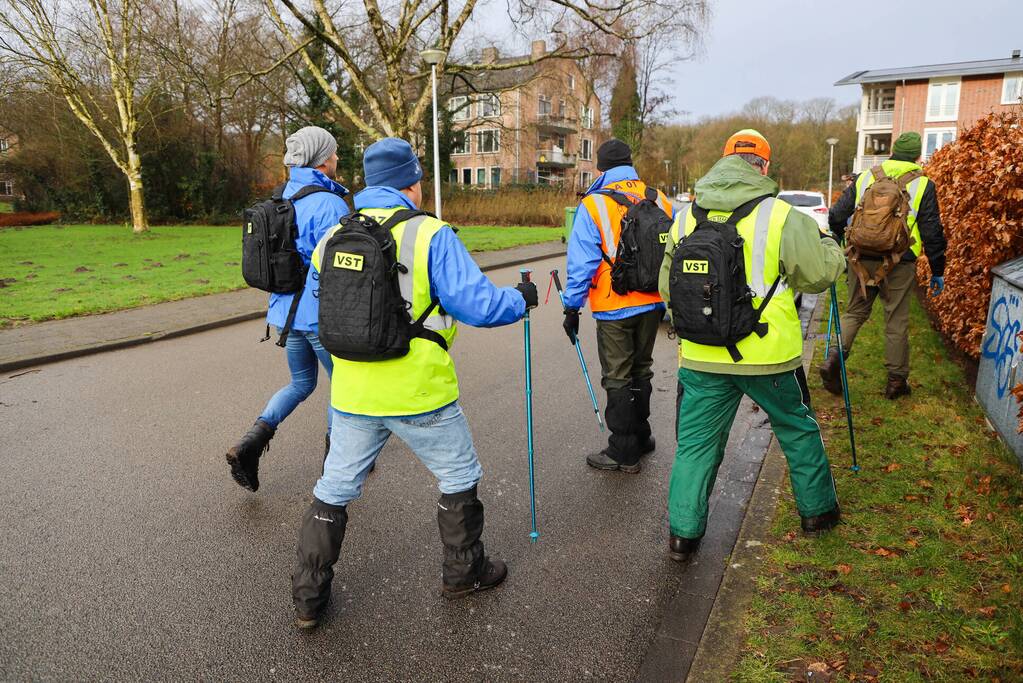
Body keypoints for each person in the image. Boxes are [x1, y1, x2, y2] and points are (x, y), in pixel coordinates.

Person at [291, 137, 538, 628]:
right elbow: (480, 306)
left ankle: (307, 596)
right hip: (418, 388)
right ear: (413, 181)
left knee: (334, 486)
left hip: (354, 390)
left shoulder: (334, 234)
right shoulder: (430, 234)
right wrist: (522, 298)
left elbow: (319, 313)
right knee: (458, 474)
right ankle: (463, 573)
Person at [659, 129, 846, 561]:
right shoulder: (780, 215)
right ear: (763, 166)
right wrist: (832, 248)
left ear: (723, 161)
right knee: (797, 430)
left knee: (696, 446)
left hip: (702, 357)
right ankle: (818, 513)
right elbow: (816, 276)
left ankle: (682, 535)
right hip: (769, 357)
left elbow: (667, 285)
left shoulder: (687, 216)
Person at [225, 126, 349, 493]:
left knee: (301, 383)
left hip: (284, 314)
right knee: (342, 386)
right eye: (335, 153)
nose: (337, 158)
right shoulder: (330, 204)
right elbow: (340, 265)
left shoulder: (282, 196)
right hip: (320, 315)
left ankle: (249, 444)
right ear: (324, 159)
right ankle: (335, 463)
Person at [561, 139, 675, 474]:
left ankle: (623, 450)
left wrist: (572, 307)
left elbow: (582, 263)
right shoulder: (660, 199)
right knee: (642, 369)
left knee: (617, 375)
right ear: (629, 163)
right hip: (653, 301)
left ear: (600, 168)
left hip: (614, 304)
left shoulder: (595, 204)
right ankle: (642, 436)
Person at [821, 131, 946, 399]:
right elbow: (932, 231)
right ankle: (896, 383)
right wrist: (938, 270)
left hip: (860, 258)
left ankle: (833, 359)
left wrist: (839, 236)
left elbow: (836, 214)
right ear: (917, 155)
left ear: (892, 151)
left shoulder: (866, 177)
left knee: (855, 312)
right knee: (896, 320)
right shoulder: (924, 184)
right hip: (900, 262)